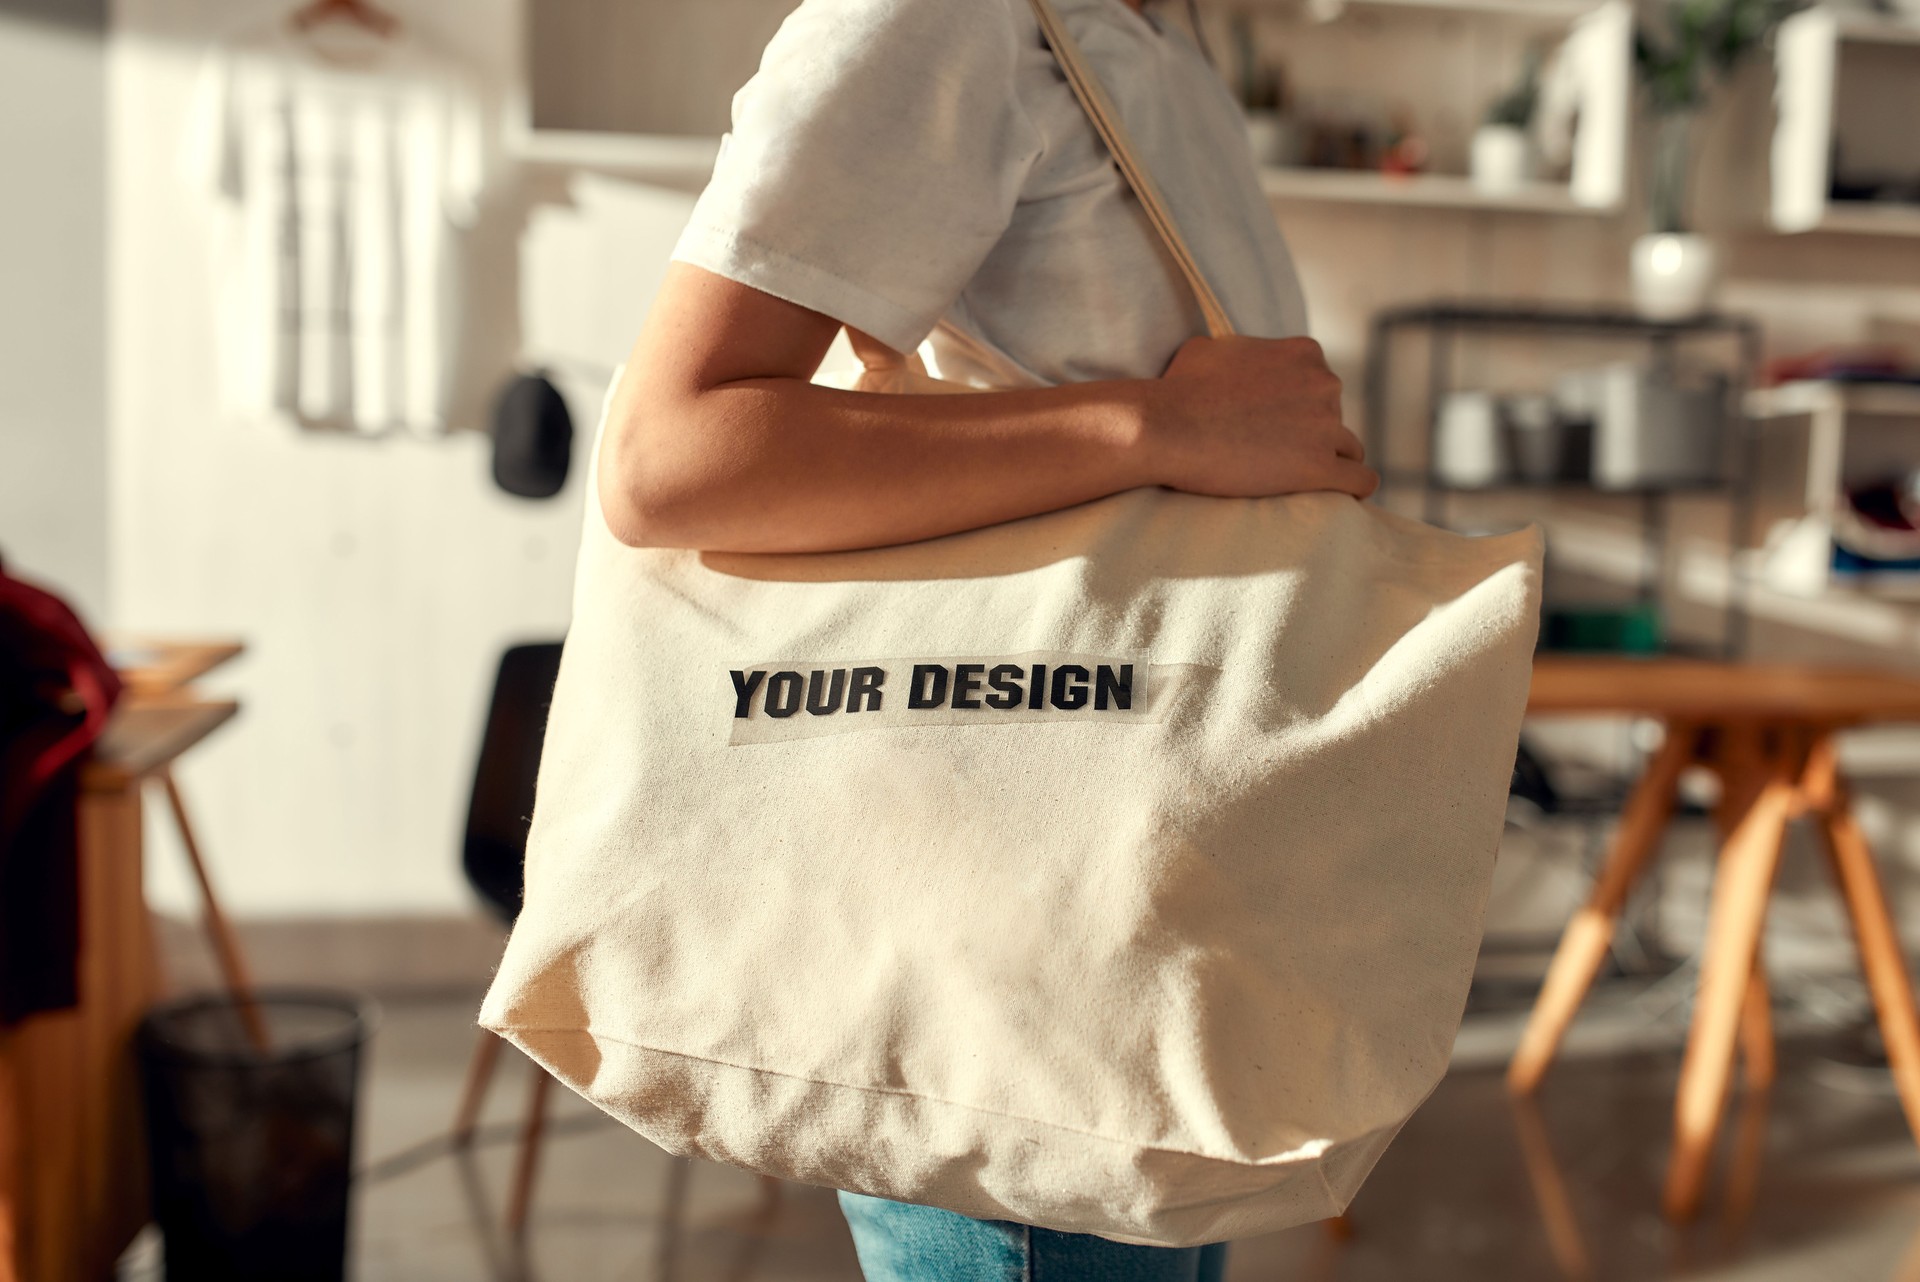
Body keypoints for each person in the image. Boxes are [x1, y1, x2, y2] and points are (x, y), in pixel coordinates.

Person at [595, 0, 1376, 1276]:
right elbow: (670, 457)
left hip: (1153, 909)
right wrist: (1156, 429)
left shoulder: (1168, 35)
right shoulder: (946, 18)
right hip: (1020, 931)